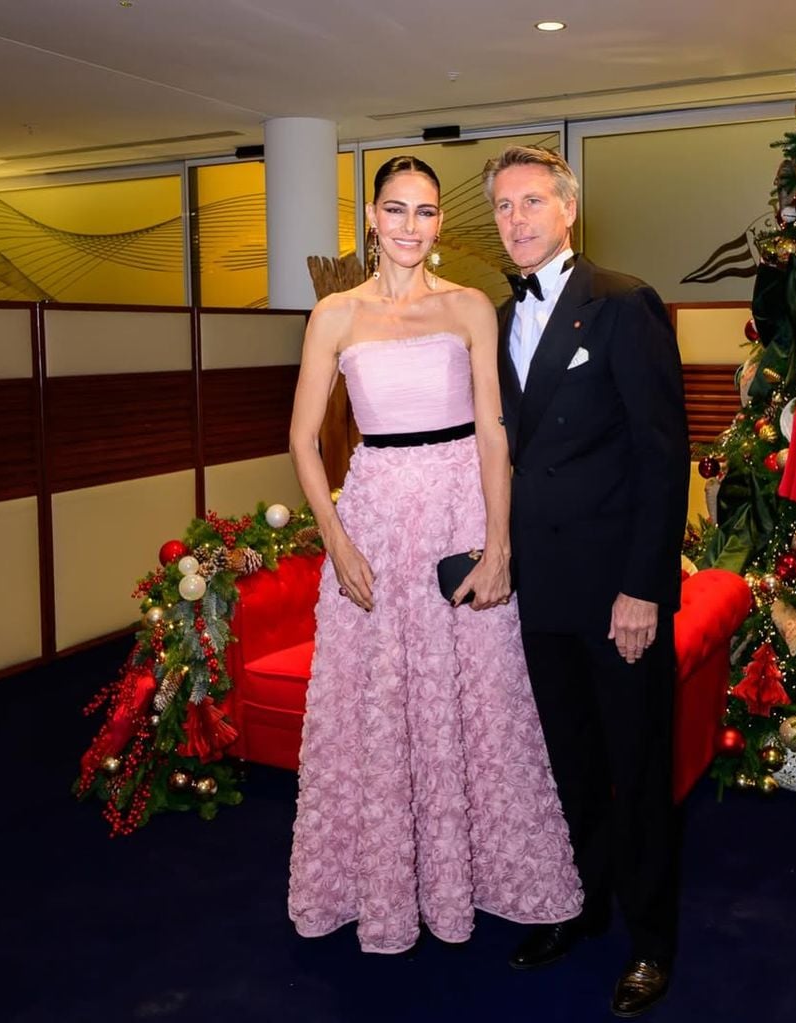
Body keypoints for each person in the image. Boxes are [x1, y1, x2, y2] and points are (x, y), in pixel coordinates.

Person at [286, 154, 582, 955]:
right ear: (371, 218)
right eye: (396, 209)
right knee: (378, 702)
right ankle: (379, 885)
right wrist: (337, 540)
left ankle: (477, 879)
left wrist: (499, 544)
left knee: (481, 698)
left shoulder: (469, 308)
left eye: (424, 211)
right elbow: (303, 439)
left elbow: (492, 431)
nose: (410, 226)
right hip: (376, 518)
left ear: (440, 222)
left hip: (458, 513)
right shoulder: (335, 314)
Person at [483, 145, 690, 1018]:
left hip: (615, 593)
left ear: (569, 210)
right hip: (540, 591)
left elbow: (662, 455)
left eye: (533, 201)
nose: (517, 218)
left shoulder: (623, 302)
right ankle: (583, 903)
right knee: (567, 764)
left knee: (636, 767)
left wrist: (643, 588)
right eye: (503, 206)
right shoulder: (497, 319)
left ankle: (651, 940)